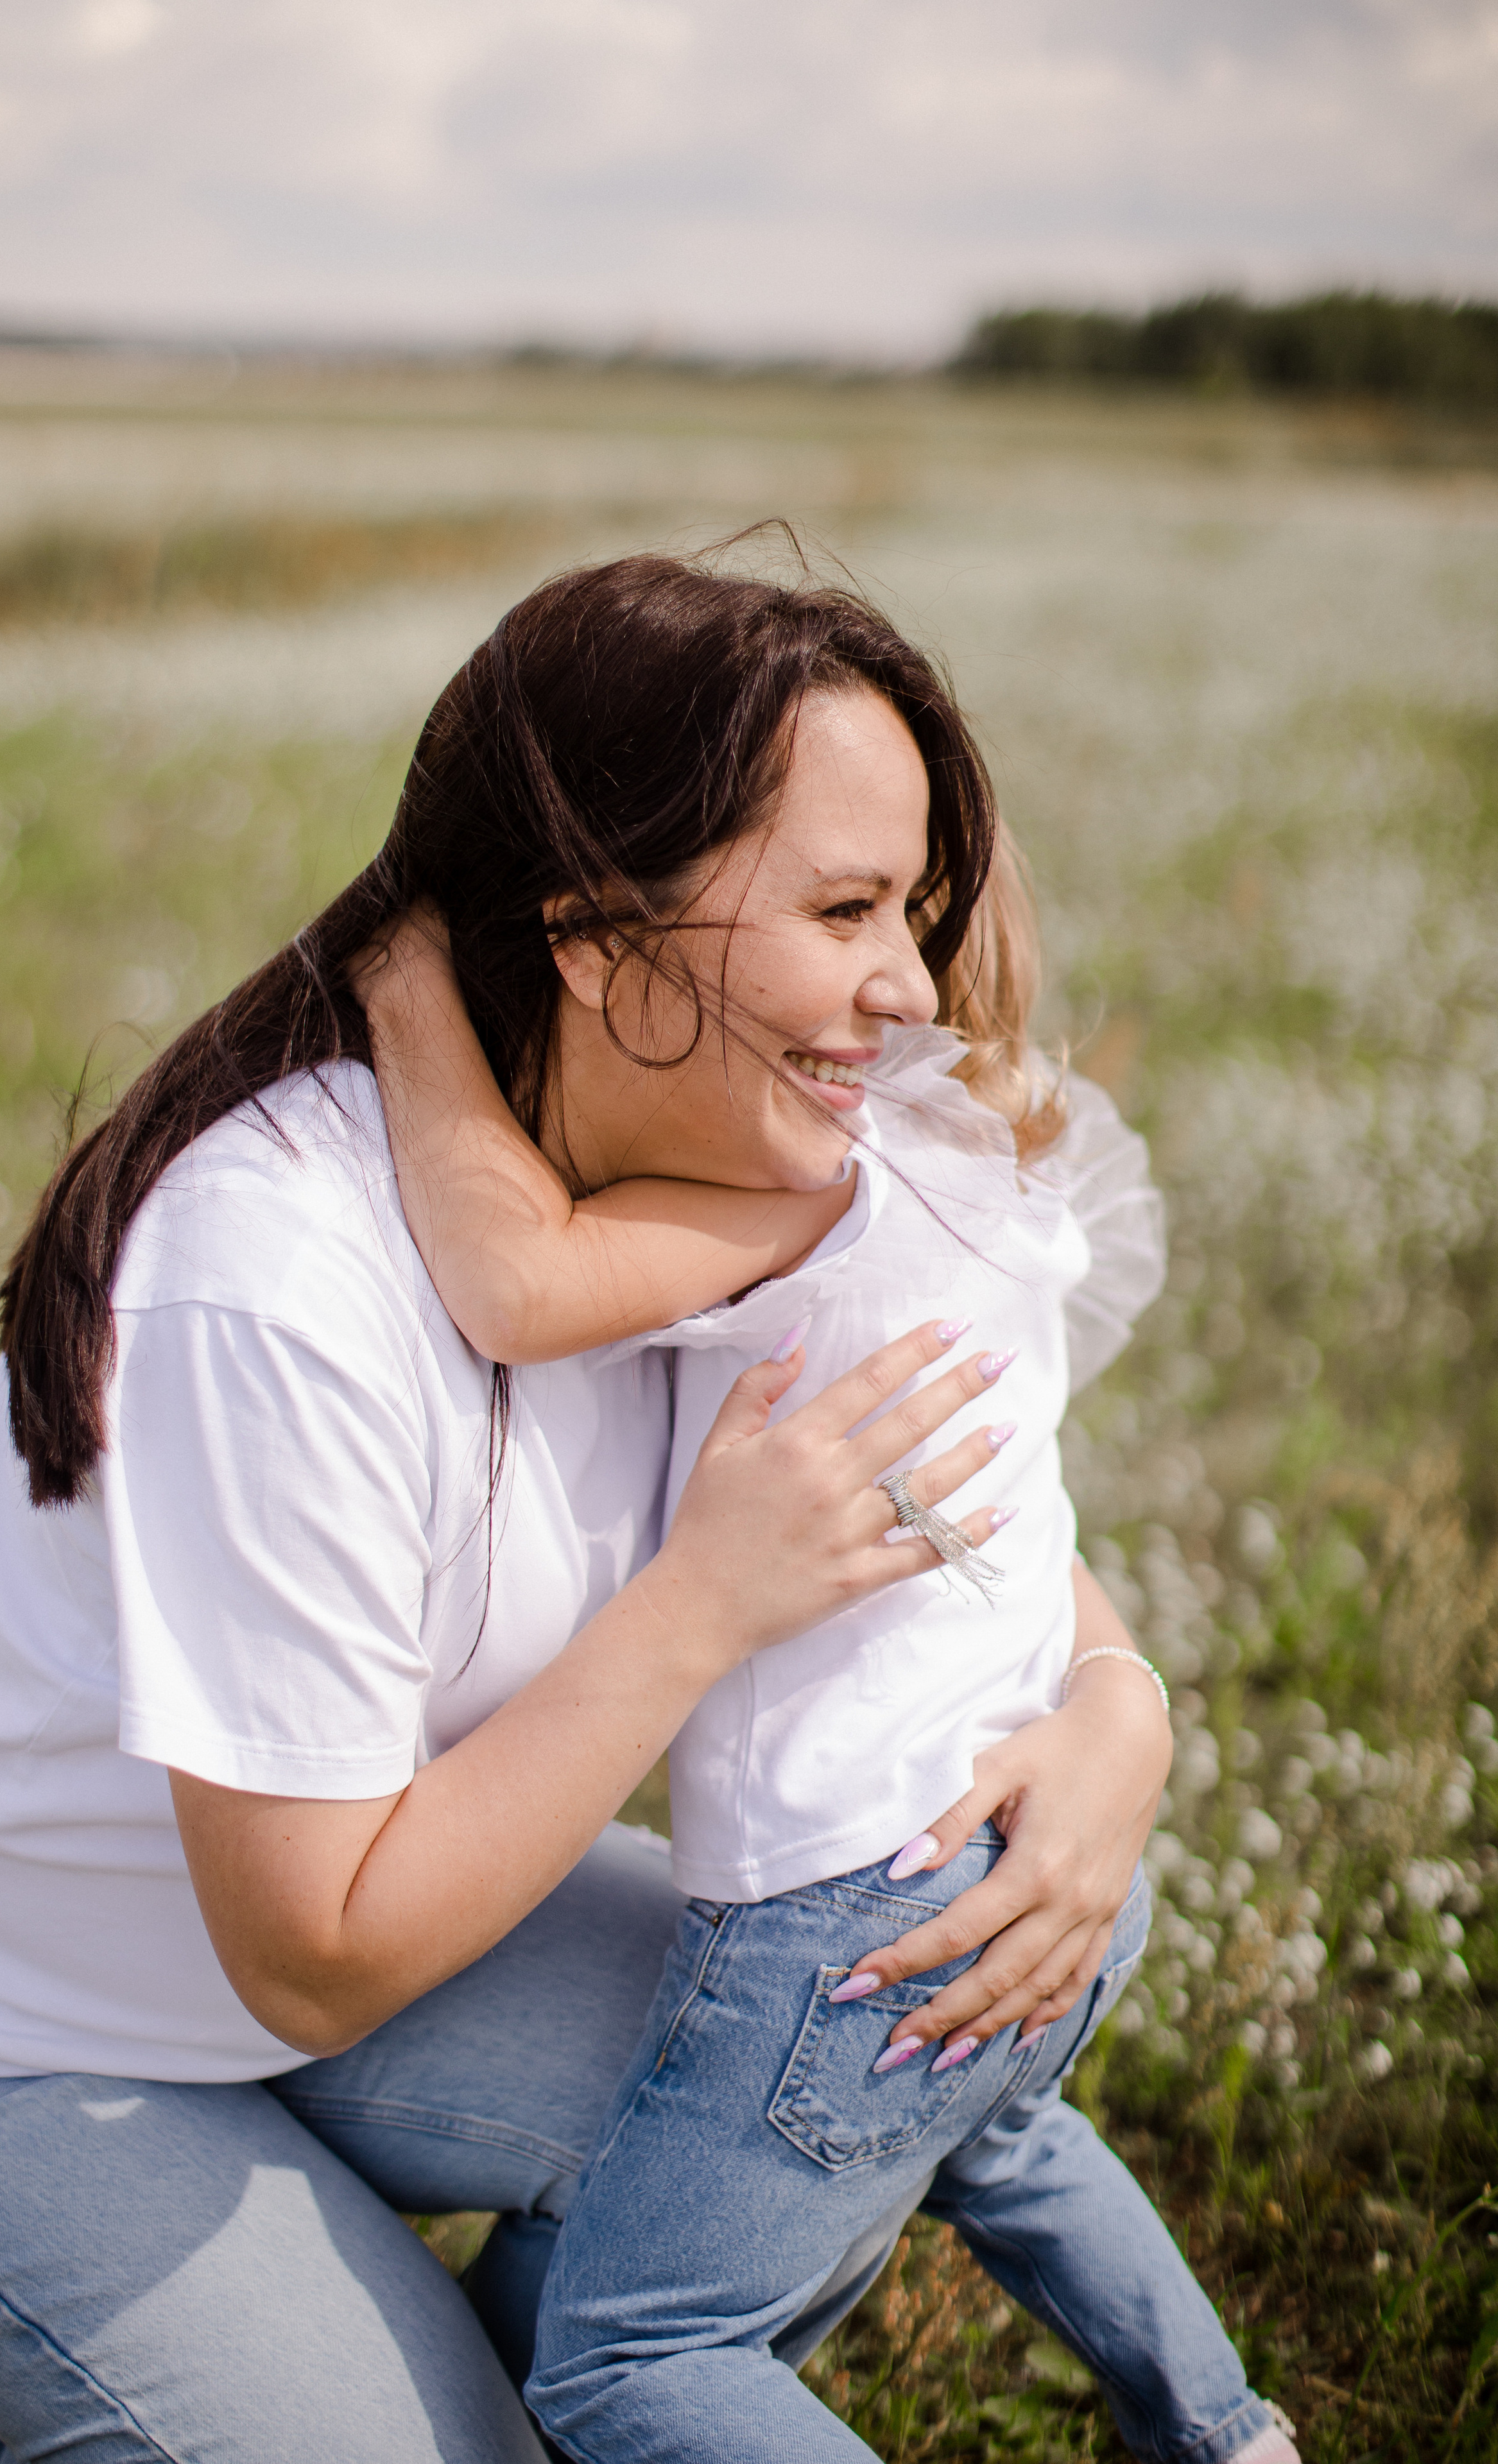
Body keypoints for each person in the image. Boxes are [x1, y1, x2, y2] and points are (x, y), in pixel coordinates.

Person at [0, 554, 1173, 2464]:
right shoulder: (277, 1281)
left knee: (840, 2088)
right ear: (591, 932)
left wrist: (1117, 1711)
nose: (908, 987)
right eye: (844, 909)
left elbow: (964, 1502)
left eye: (922, 910)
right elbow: (308, 1943)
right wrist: (697, 1609)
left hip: (354, 1952)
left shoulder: (717, 1186)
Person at [359, 695, 1298, 2464]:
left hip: (849, 1911)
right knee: (1004, 2139)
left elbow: (514, 1279)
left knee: (628, 2363)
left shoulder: (818, 1179)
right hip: (1036, 1857)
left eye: (884, 916)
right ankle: (1229, 2433)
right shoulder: (1011, 1173)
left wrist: (410, 985)